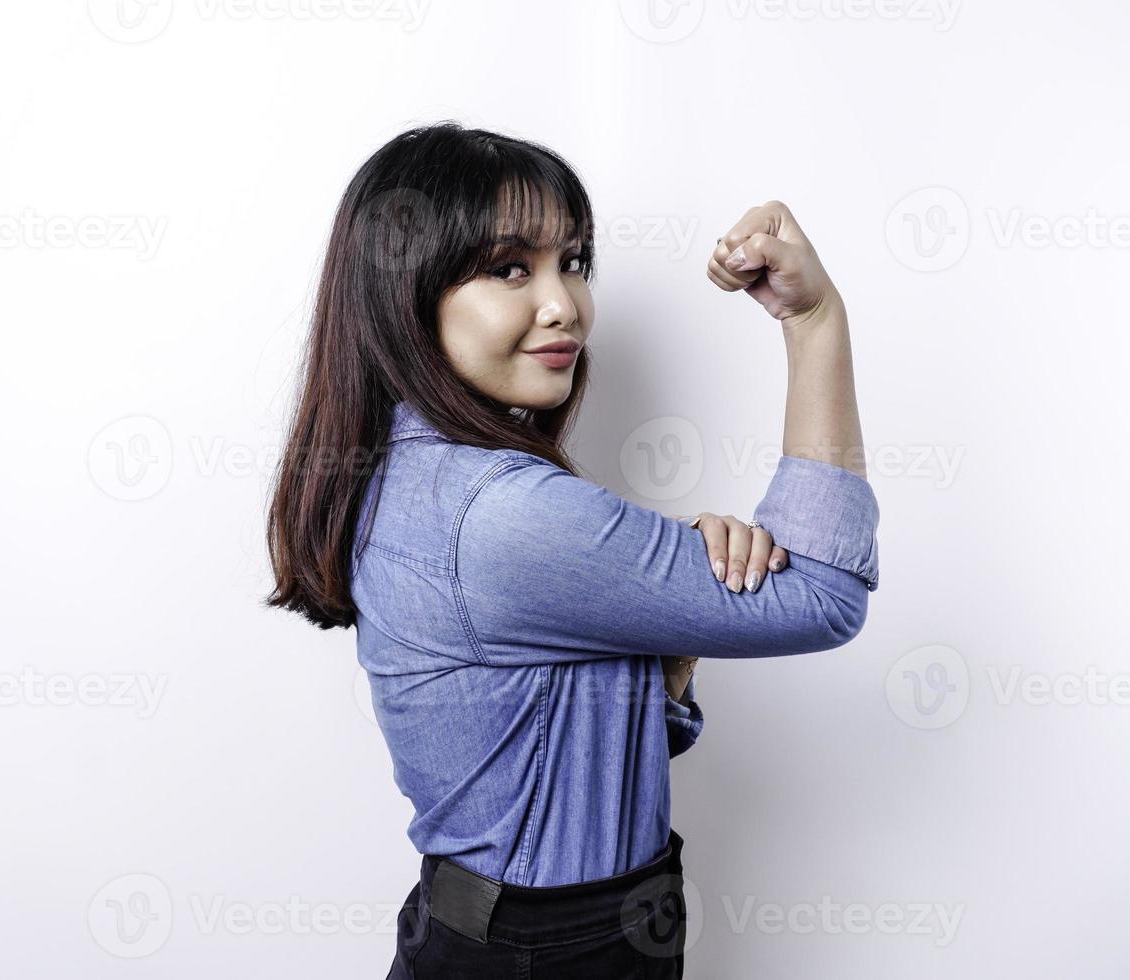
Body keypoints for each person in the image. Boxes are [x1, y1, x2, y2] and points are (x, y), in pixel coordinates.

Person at [264, 121, 879, 979]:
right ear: (405, 292)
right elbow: (821, 596)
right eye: (511, 268)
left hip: (522, 935)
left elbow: (547, 750)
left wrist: (668, 633)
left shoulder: (415, 479)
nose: (566, 305)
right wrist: (815, 320)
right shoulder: (500, 514)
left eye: (575, 261)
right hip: (545, 951)